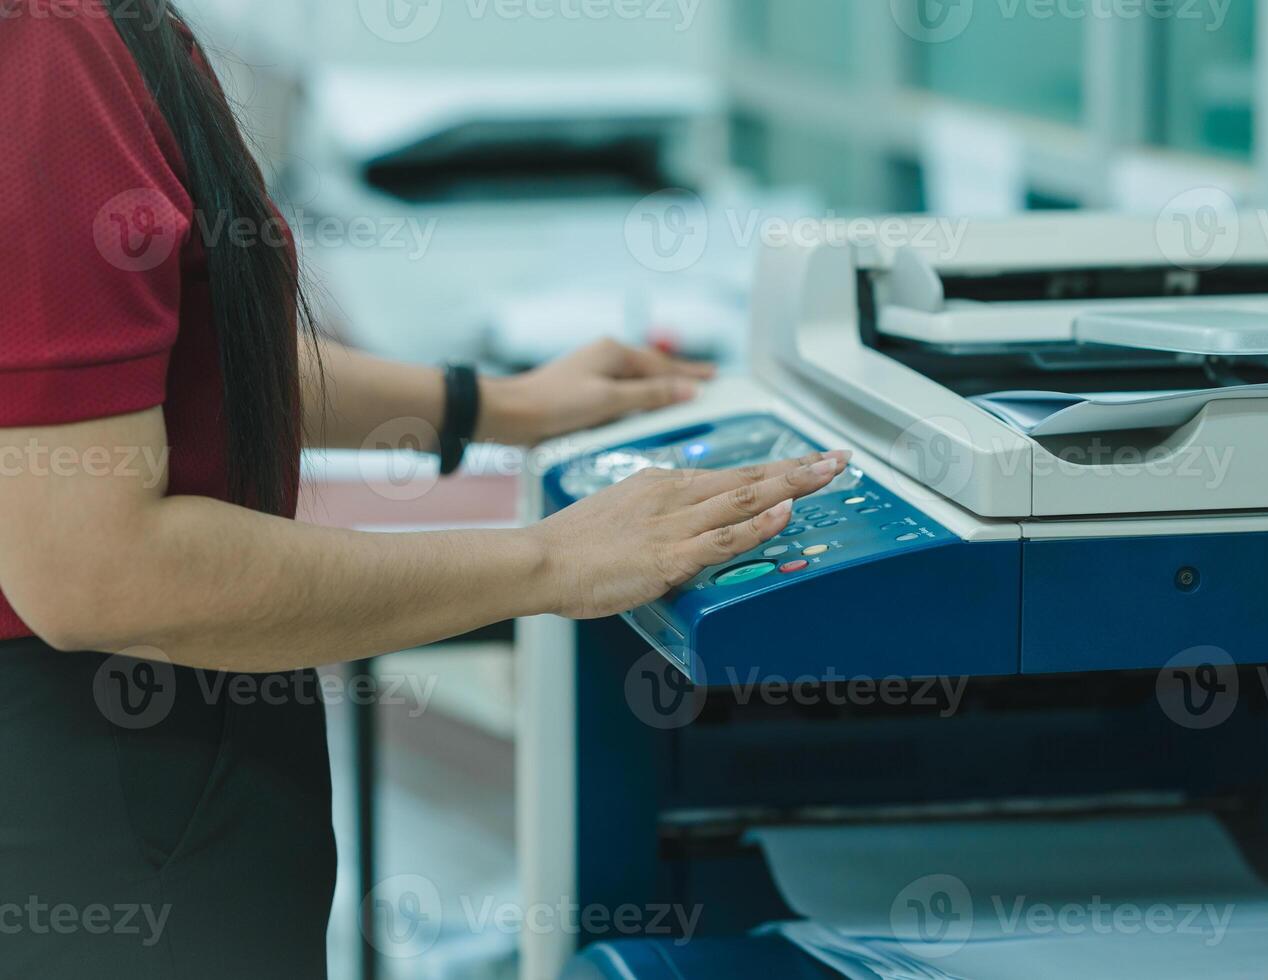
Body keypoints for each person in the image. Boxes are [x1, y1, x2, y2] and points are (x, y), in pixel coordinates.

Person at [0, 2, 848, 976]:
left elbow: (172, 361)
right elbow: (102, 571)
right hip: (96, 784)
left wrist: (493, 404)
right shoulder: (40, 44)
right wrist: (552, 559)